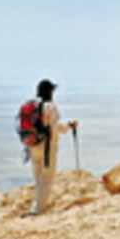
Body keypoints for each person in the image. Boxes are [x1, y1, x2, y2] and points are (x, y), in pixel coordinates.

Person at [24, 79, 78, 216]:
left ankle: (36, 206)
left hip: (32, 147)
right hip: (47, 148)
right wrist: (68, 126)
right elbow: (54, 128)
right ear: (50, 92)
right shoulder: (50, 107)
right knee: (47, 178)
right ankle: (37, 210)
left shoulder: (33, 106)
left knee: (38, 179)